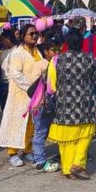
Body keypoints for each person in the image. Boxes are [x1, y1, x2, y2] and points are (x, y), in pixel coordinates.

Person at [48, 29, 96, 180]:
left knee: (66, 139)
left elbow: (52, 84)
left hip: (64, 105)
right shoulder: (90, 58)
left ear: (67, 43)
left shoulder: (58, 59)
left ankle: (67, 169)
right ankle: (77, 164)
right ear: (82, 43)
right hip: (85, 105)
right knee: (85, 134)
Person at [0, 24, 45, 167]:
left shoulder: (37, 51)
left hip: (35, 95)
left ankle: (27, 150)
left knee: (31, 124)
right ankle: (12, 153)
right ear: (23, 36)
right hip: (20, 94)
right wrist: (31, 87)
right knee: (16, 123)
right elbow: (16, 74)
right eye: (31, 34)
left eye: (36, 33)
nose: (35, 36)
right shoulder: (18, 53)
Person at [31, 33, 62, 173]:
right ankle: (40, 161)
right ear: (46, 51)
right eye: (53, 50)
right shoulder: (42, 65)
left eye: (58, 50)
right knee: (40, 131)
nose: (56, 53)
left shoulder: (56, 63)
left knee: (48, 130)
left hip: (49, 103)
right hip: (41, 103)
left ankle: (44, 157)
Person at [0, 30, 19, 111]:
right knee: (4, 108)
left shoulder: (17, 50)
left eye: (3, 40)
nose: (2, 43)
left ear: (8, 39)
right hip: (4, 83)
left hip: (12, 82)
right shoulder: (4, 52)